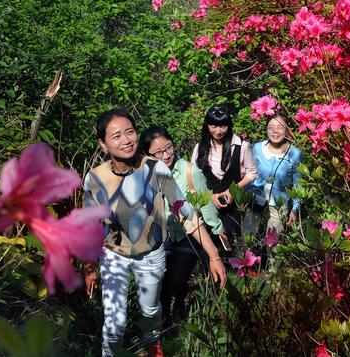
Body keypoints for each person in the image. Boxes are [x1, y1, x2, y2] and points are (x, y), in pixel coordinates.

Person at [83, 109, 226, 357]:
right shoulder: (95, 178)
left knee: (150, 313)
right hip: (113, 256)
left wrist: (213, 254)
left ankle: (153, 347)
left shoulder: (156, 169)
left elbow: (186, 214)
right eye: (116, 136)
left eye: (130, 132)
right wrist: (89, 267)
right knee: (114, 325)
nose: (126, 140)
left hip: (151, 254)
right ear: (102, 143)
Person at [140, 125, 227, 325]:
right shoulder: (145, 176)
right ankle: (165, 323)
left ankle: (179, 303)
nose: (166, 155)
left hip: (189, 235)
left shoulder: (190, 171)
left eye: (169, 148)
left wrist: (217, 229)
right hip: (163, 235)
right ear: (147, 154)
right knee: (161, 283)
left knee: (177, 279)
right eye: (159, 152)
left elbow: (205, 204)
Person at [190, 104, 258, 249]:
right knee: (209, 243)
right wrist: (209, 197)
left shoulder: (241, 146)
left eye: (223, 126)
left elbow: (252, 172)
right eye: (213, 126)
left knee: (232, 240)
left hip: (232, 204)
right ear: (207, 125)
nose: (218, 131)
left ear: (229, 125)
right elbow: (193, 175)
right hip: (207, 203)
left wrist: (233, 190)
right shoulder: (200, 147)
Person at [247, 114, 303, 235]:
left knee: (272, 243)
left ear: (287, 130)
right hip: (255, 199)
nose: (275, 131)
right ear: (266, 129)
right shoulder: (257, 148)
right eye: (271, 127)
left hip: (279, 204)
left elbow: (298, 184)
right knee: (247, 237)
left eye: (280, 127)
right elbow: (249, 173)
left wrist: (295, 209)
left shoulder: (295, 154)